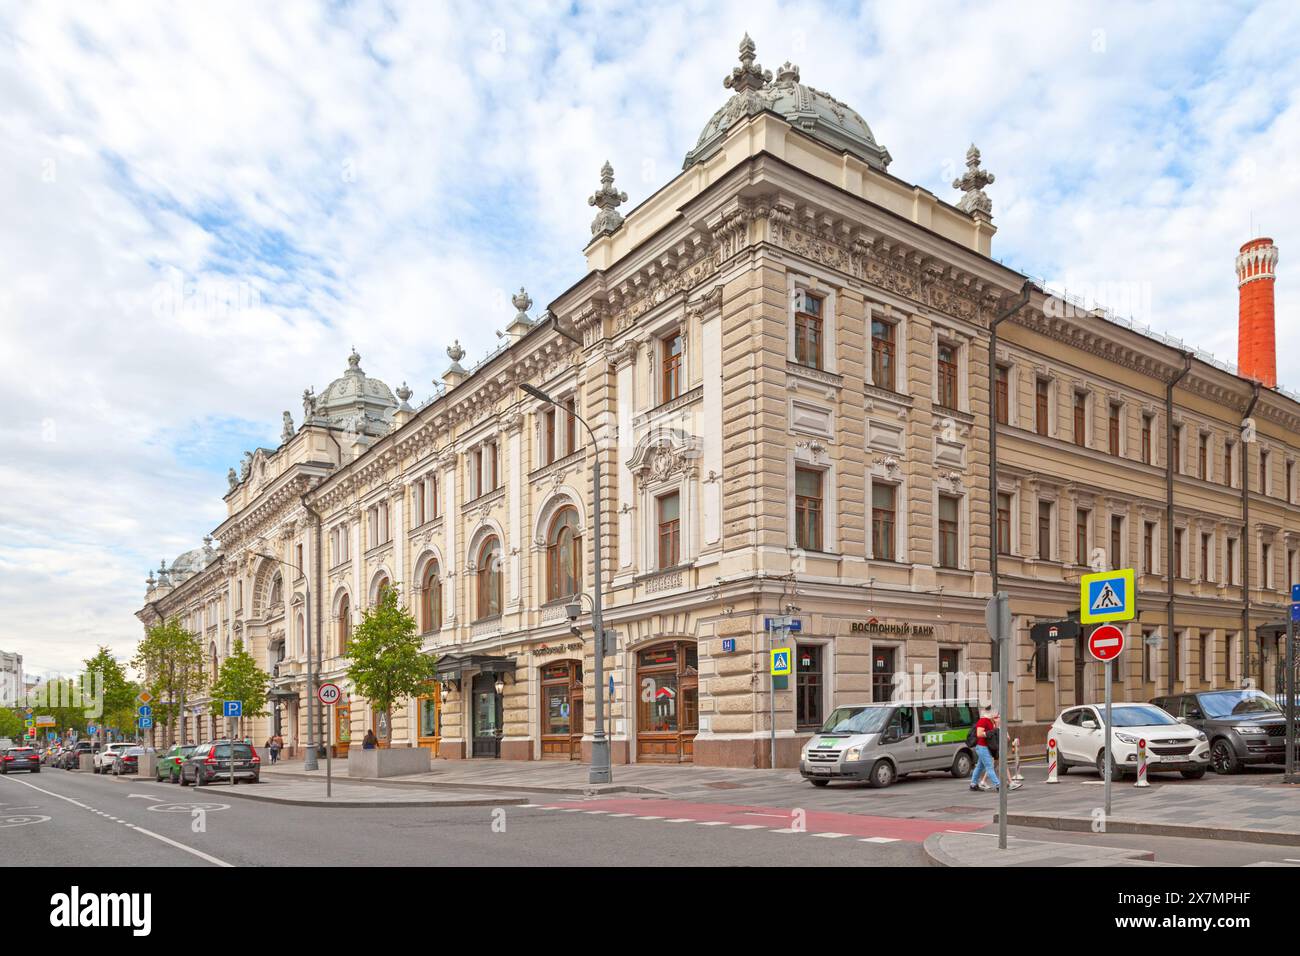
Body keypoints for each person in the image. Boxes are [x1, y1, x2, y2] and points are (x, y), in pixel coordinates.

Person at [970, 707, 1022, 792]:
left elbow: (995, 732)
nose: (997, 715)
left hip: (985, 747)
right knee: (989, 767)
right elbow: (979, 734)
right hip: (982, 747)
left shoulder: (990, 721)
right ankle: (998, 785)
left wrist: (996, 726)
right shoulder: (983, 721)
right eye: (995, 713)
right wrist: (990, 732)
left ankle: (973, 784)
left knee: (980, 766)